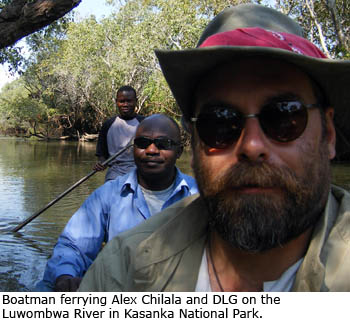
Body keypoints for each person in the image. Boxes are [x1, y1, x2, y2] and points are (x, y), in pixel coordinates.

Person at [78, 4, 350, 292]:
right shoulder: (122, 269)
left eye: (284, 116)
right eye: (219, 123)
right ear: (194, 142)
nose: (252, 145)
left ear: (328, 134)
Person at [36, 114, 198, 292]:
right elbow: (74, 245)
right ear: (133, 149)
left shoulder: (200, 197)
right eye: (143, 143)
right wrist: (65, 275)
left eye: (163, 144)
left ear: (180, 152)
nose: (151, 150)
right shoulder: (108, 195)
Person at [94, 85, 145, 181]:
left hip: (140, 173)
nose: (125, 104)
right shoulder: (108, 125)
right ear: (116, 102)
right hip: (114, 173)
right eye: (122, 101)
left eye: (129, 101)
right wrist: (102, 164)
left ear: (135, 101)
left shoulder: (145, 124)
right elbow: (102, 154)